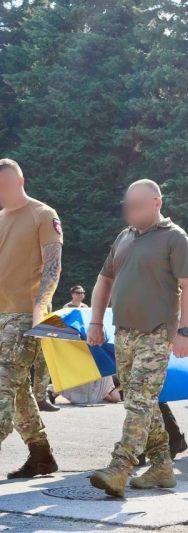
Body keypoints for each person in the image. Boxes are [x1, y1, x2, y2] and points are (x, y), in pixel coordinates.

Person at [85, 179, 188, 497]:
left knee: (139, 401)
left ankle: (120, 467)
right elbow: (104, 279)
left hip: (157, 332)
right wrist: (96, 321)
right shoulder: (124, 237)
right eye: (128, 205)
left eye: (138, 205)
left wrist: (184, 332)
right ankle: (162, 466)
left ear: (157, 203)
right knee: (141, 403)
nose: (130, 211)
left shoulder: (175, 238)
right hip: (124, 332)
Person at [0, 158, 61, 479]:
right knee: (20, 392)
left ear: (20, 182)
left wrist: (42, 308)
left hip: (25, 319)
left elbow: (53, 266)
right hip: (0, 317)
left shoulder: (43, 214)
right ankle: (41, 457)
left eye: (6, 185)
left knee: (2, 387)